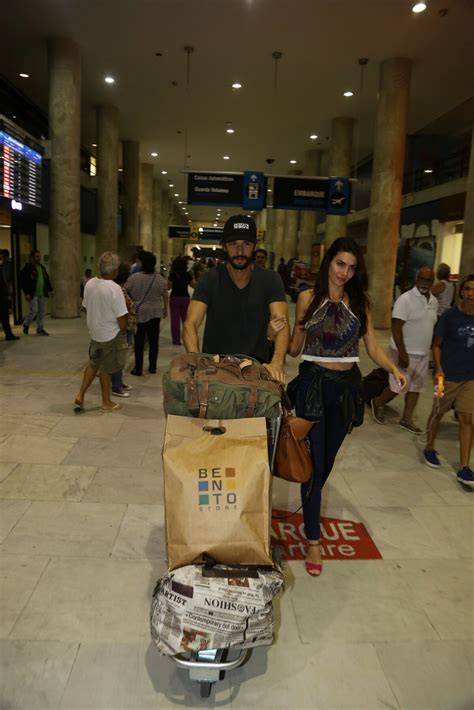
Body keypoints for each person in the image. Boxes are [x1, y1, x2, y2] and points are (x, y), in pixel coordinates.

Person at [288, 237, 407, 577]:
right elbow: (296, 349)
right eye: (341, 264)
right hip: (312, 387)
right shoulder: (307, 299)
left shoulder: (360, 303)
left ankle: (308, 509)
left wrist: (393, 368)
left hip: (346, 390)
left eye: (352, 267)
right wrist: (279, 333)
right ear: (329, 262)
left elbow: (372, 346)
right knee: (311, 465)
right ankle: (313, 538)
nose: (345, 272)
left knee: (324, 465)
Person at [183, 214, 289, 382]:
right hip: (216, 371)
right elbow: (190, 323)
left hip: (256, 370)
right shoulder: (209, 279)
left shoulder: (271, 280)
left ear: (255, 246)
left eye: (246, 244)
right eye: (233, 244)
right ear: (224, 246)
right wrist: (196, 359)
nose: (240, 251)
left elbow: (283, 325)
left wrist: (277, 362)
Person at [370, 267, 437, 433]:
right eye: (421, 278)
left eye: (428, 280)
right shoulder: (405, 299)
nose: (424, 283)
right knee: (397, 387)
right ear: (416, 278)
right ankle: (377, 402)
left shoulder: (433, 301)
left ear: (432, 282)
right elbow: (396, 326)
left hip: (422, 353)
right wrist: (402, 352)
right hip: (403, 352)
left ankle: (406, 419)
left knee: (416, 388)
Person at [423, 274, 474, 487]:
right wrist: (439, 369)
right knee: (438, 412)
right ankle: (429, 447)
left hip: (471, 378)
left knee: (467, 419)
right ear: (461, 292)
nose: (471, 293)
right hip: (448, 376)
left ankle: (464, 467)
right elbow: (436, 344)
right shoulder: (450, 316)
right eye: (468, 289)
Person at [74, 252, 128, 413]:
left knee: (93, 363)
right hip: (110, 335)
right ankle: (106, 402)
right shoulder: (114, 288)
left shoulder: (90, 283)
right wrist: (123, 331)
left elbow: (85, 306)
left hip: (95, 333)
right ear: (114, 270)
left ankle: (80, 394)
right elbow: (121, 316)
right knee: (106, 369)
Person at [126, 250, 168, 376]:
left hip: (140, 312)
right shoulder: (160, 278)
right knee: (153, 341)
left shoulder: (134, 278)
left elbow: (125, 291)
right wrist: (165, 309)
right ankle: (152, 367)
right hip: (155, 312)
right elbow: (165, 294)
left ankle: (138, 368)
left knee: (139, 342)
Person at [111, 263, 136, 398]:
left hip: (126, 326)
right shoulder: (118, 290)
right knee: (118, 356)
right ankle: (116, 385)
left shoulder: (121, 289)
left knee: (121, 356)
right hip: (121, 327)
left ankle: (118, 381)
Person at [20, 250, 53, 336]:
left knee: (42, 312)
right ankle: (26, 324)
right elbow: (23, 281)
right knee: (34, 310)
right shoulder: (28, 267)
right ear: (32, 258)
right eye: (37, 256)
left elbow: (47, 279)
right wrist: (26, 293)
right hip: (32, 293)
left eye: (39, 256)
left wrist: (50, 289)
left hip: (41, 293)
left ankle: (40, 329)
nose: (39, 258)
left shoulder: (42, 267)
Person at [167, 255, 196, 346]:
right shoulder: (188, 274)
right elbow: (194, 285)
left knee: (175, 320)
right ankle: (186, 338)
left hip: (175, 297)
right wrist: (193, 277)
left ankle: (176, 340)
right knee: (186, 320)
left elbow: (168, 287)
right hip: (185, 298)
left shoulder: (172, 274)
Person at [0, 252, 19, 341]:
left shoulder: (4, 265)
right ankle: (8, 334)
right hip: (2, 295)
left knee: (5, 316)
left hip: (3, 295)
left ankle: (9, 334)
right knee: (4, 316)